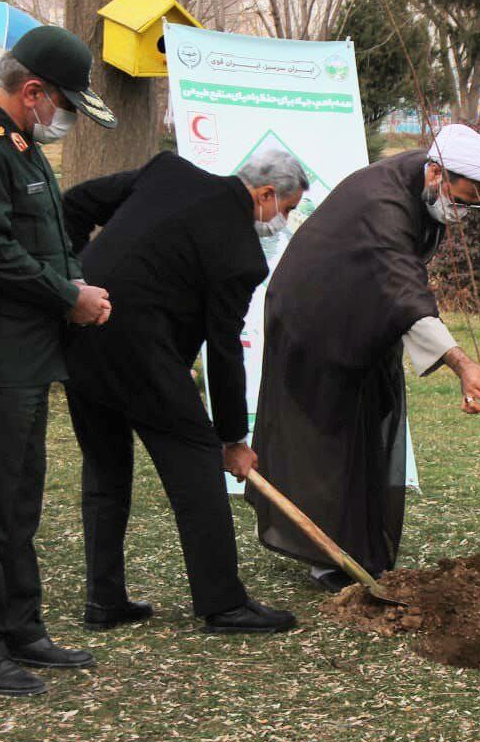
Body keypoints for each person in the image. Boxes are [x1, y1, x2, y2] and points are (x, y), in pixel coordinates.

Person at [0, 25, 117, 698]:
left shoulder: (20, 143)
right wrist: (68, 294)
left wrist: (75, 285)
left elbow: (51, 234)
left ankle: (19, 624)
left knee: (19, 498)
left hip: (29, 354)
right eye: (61, 103)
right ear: (33, 90)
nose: (61, 117)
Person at [248, 124, 480, 587]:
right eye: (462, 199)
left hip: (365, 317)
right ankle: (327, 555)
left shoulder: (421, 185)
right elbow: (404, 287)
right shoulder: (382, 203)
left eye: (473, 203)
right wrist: (461, 364)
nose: (465, 211)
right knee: (325, 439)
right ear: (435, 173)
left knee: (369, 424)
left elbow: (399, 286)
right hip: (315, 320)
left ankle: (359, 544)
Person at [63, 149, 305, 635]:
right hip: (141, 355)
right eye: (289, 209)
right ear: (264, 195)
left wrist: (71, 280)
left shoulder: (167, 171)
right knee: (196, 462)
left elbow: (73, 203)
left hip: (78, 336)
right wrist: (232, 438)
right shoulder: (240, 254)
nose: (285, 221)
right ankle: (223, 603)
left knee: (106, 467)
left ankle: (104, 599)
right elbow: (224, 351)